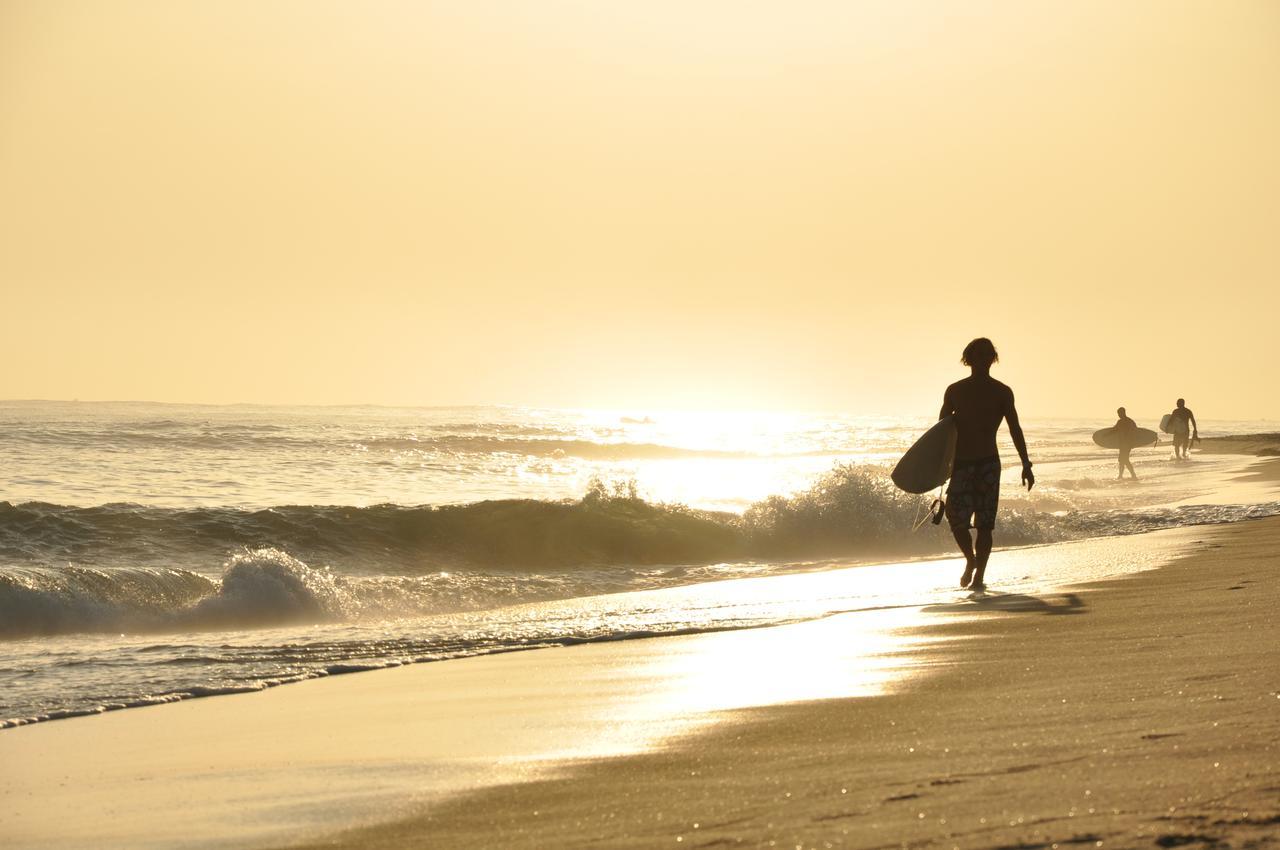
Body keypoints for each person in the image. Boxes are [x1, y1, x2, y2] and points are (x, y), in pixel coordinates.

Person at [938, 338, 1034, 592]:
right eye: (977, 355)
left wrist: (1026, 462)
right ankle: (971, 560)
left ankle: (979, 575)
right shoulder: (955, 391)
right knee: (956, 520)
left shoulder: (1002, 392)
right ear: (968, 359)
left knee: (985, 524)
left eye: (986, 355)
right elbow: (941, 432)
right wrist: (939, 468)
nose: (981, 360)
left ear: (992, 359)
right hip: (960, 464)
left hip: (988, 465)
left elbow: (1015, 428)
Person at [1113, 406, 1139, 480]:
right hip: (1124, 444)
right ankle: (1121, 475)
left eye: (1119, 413)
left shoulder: (1123, 421)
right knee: (1122, 460)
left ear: (1123, 413)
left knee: (1124, 459)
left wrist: (1106, 434)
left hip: (1126, 444)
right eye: (1118, 414)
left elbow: (1114, 429)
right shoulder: (1130, 421)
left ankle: (1133, 475)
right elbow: (1136, 430)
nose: (1118, 415)